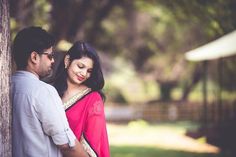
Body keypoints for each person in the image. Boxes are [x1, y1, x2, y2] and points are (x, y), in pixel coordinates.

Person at [11, 26, 88, 157]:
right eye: (50, 56)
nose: (53, 60)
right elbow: (68, 145)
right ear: (34, 57)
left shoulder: (6, 87)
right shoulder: (43, 91)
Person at [54, 41, 110, 157]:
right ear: (67, 61)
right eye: (80, 66)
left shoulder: (93, 99)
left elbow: (92, 145)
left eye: (89, 71)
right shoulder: (51, 91)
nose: (84, 74)